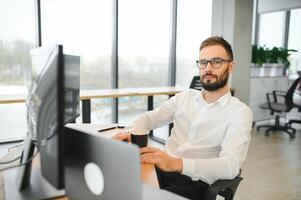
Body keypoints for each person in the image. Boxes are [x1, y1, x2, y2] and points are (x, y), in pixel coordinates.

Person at [113, 36, 253, 200]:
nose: (208, 68)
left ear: (231, 66)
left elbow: (231, 165)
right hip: (158, 168)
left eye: (216, 62)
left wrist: (176, 163)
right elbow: (150, 119)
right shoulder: (184, 98)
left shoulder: (240, 112)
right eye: (203, 62)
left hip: (193, 182)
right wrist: (130, 131)